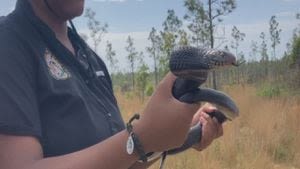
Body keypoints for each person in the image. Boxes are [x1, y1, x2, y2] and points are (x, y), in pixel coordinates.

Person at [0, 0, 223, 169]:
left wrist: (175, 132)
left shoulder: (89, 57)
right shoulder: (9, 43)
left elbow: (119, 156)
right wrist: (140, 139)